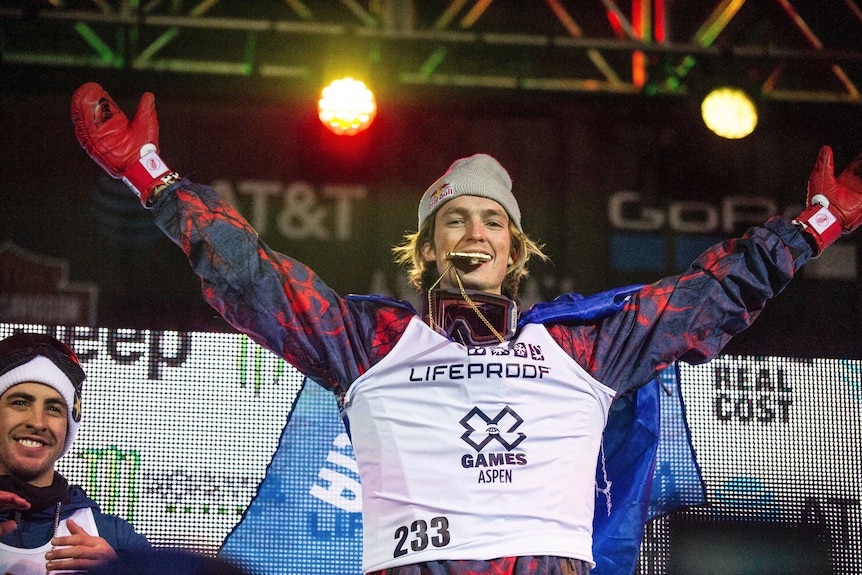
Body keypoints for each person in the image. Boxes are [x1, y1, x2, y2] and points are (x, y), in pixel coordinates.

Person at [70, 82, 862, 575]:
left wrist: (814, 225)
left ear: (515, 248)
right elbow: (249, 276)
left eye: (491, 219)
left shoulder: (584, 349)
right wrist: (153, 177)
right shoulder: (367, 345)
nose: (473, 232)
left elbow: (710, 297)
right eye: (453, 220)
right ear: (427, 247)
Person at [0, 333, 151, 574]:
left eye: (53, 408)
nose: (38, 423)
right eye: (20, 403)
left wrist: (121, 571)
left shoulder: (116, 540)